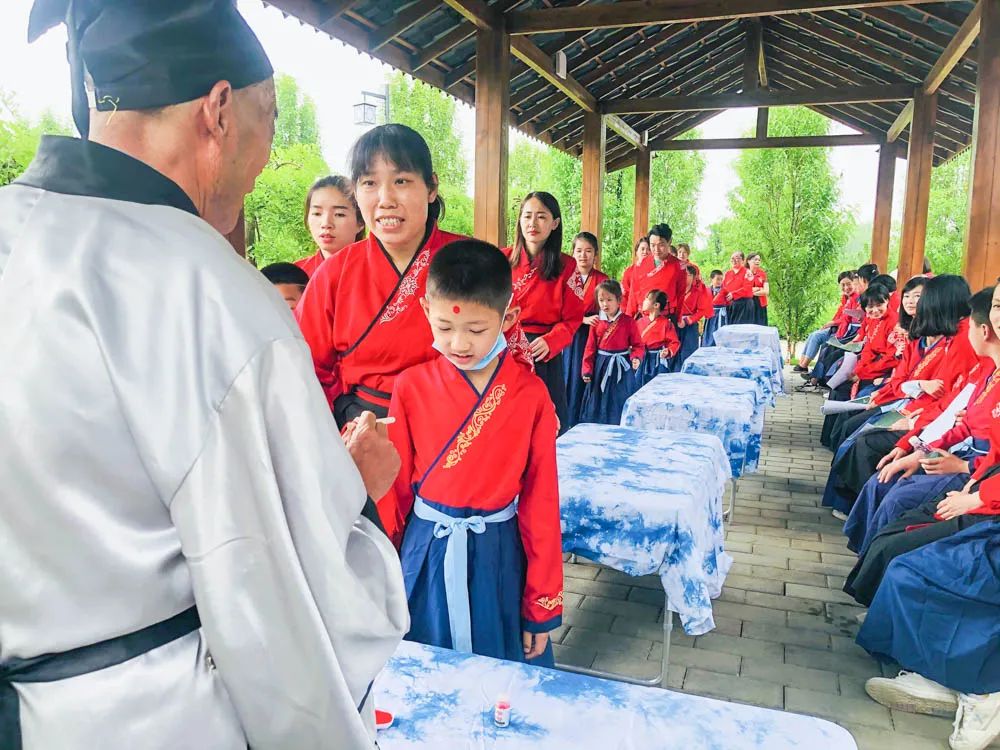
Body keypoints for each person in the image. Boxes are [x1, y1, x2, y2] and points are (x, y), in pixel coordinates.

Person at [1, 3, 407, 749]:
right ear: (219, 111)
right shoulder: (206, 291)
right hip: (138, 718)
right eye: (272, 118)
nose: (267, 158)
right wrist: (354, 494)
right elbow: (293, 599)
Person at [387, 240, 563, 667]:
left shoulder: (530, 394)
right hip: (424, 553)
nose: (459, 342)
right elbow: (393, 492)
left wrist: (540, 603)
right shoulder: (410, 387)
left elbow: (542, 502)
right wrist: (381, 574)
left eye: (477, 329)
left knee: (500, 681)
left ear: (509, 318)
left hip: (497, 560)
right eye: (444, 327)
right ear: (426, 309)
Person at [296, 124, 467, 425]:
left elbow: (510, 361)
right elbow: (302, 367)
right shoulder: (335, 273)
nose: (385, 198)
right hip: (363, 431)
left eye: (401, 180)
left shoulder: (471, 261)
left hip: (454, 429)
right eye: (370, 183)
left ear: (431, 188)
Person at [842, 287, 999, 553]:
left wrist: (964, 470)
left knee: (895, 496)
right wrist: (914, 446)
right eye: (996, 306)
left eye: (920, 298)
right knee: (877, 466)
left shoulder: (963, 349)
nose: (913, 304)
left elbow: (949, 407)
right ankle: (864, 550)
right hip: (935, 432)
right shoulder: (981, 364)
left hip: (971, 467)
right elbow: (953, 410)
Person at [820, 276, 980, 520]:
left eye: (921, 297)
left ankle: (857, 508)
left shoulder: (962, 341)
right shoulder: (943, 337)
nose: (914, 302)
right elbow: (910, 380)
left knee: (865, 441)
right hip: (916, 407)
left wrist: (913, 429)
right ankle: (851, 504)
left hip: (936, 426)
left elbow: (946, 398)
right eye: (909, 296)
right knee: (854, 429)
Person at [502, 191, 586, 433]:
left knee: (545, 428)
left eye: (541, 216)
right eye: (527, 216)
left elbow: (572, 319)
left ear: (555, 223)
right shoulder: (501, 258)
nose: (532, 223)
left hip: (542, 351)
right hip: (504, 349)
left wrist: (551, 341)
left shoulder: (568, 266)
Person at [580, 280, 644, 425]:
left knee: (619, 400)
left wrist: (636, 358)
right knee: (598, 401)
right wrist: (587, 370)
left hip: (622, 367)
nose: (605, 304)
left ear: (619, 300)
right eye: (601, 300)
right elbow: (590, 348)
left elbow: (638, 345)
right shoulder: (596, 322)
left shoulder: (628, 322)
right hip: (601, 368)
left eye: (609, 300)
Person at [563, 232, 609, 428]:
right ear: (572, 252)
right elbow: (557, 307)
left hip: (591, 336)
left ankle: (585, 422)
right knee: (565, 377)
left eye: (588, 251)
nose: (583, 255)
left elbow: (609, 308)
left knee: (586, 377)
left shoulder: (602, 279)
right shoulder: (564, 277)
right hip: (566, 334)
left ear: (595, 255)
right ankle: (565, 421)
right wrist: (581, 319)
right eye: (579, 250)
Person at [294, 175, 365, 277]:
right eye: (317, 213)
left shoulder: (379, 272)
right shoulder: (296, 275)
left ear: (360, 222)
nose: (326, 223)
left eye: (339, 214)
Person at [795, 271, 857, 372]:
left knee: (817, 336)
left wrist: (833, 323)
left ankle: (804, 365)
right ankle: (802, 364)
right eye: (843, 285)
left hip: (842, 331)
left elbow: (848, 318)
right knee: (813, 334)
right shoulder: (845, 298)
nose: (846, 287)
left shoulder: (855, 299)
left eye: (848, 284)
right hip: (838, 327)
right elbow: (839, 314)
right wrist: (831, 322)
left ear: (855, 283)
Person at [634, 224, 687, 322]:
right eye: (652, 245)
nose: (656, 250)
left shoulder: (679, 266)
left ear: (669, 242)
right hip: (644, 318)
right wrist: (629, 317)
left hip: (667, 317)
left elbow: (681, 294)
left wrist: (678, 318)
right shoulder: (641, 264)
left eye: (661, 245)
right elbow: (634, 293)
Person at [673, 265, 713, 371]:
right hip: (675, 324)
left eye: (688, 275)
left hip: (690, 325)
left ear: (694, 277)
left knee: (689, 352)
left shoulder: (698, 292)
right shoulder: (674, 290)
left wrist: (687, 321)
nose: (685, 277)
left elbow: (701, 311)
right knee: (674, 352)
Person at [637, 289, 680, 386]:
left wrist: (668, 351)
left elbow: (674, 342)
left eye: (647, 299)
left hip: (657, 360)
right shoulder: (640, 322)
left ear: (656, 305)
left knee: (658, 386)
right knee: (639, 386)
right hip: (642, 359)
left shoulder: (666, 323)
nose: (644, 301)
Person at [713, 251, 756, 325]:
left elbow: (747, 288)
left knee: (742, 330)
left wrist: (734, 294)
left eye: (737, 258)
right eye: (732, 258)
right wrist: (713, 303)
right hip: (731, 306)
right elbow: (723, 290)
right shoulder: (728, 274)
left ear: (742, 260)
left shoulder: (748, 272)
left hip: (744, 305)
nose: (734, 260)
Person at [622, 236, 652, 317]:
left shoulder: (655, 271)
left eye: (648, 249)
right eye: (642, 249)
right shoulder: (629, 272)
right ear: (636, 252)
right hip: (633, 314)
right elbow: (625, 296)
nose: (645, 252)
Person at [702, 269, 726, 346]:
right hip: (710, 315)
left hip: (721, 314)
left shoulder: (725, 290)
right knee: (709, 331)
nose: (719, 281)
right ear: (711, 279)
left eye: (721, 279)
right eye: (717, 279)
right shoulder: (706, 290)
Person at [747, 252, 769, 326]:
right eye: (755, 259)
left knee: (761, 326)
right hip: (747, 304)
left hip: (760, 304)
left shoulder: (762, 273)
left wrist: (753, 291)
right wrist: (760, 289)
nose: (757, 261)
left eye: (759, 260)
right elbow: (742, 290)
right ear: (748, 261)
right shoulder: (743, 273)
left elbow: (766, 291)